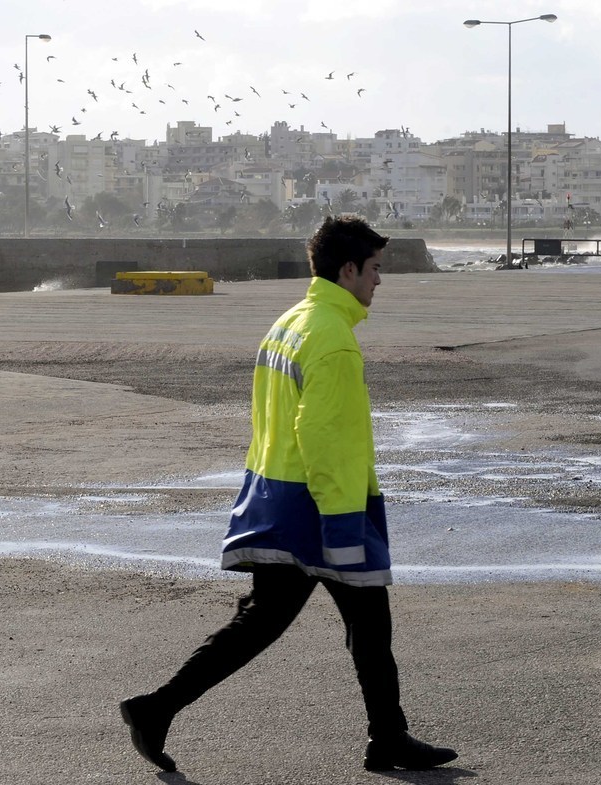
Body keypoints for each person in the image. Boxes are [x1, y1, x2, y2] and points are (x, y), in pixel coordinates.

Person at [120, 216, 458, 773]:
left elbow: (272, 423)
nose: (380, 281)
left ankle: (158, 709)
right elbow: (324, 440)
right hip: (325, 509)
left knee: (298, 624)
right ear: (347, 270)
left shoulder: (292, 323)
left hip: (279, 497)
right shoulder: (332, 341)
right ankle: (386, 739)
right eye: (374, 269)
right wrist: (344, 525)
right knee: (353, 624)